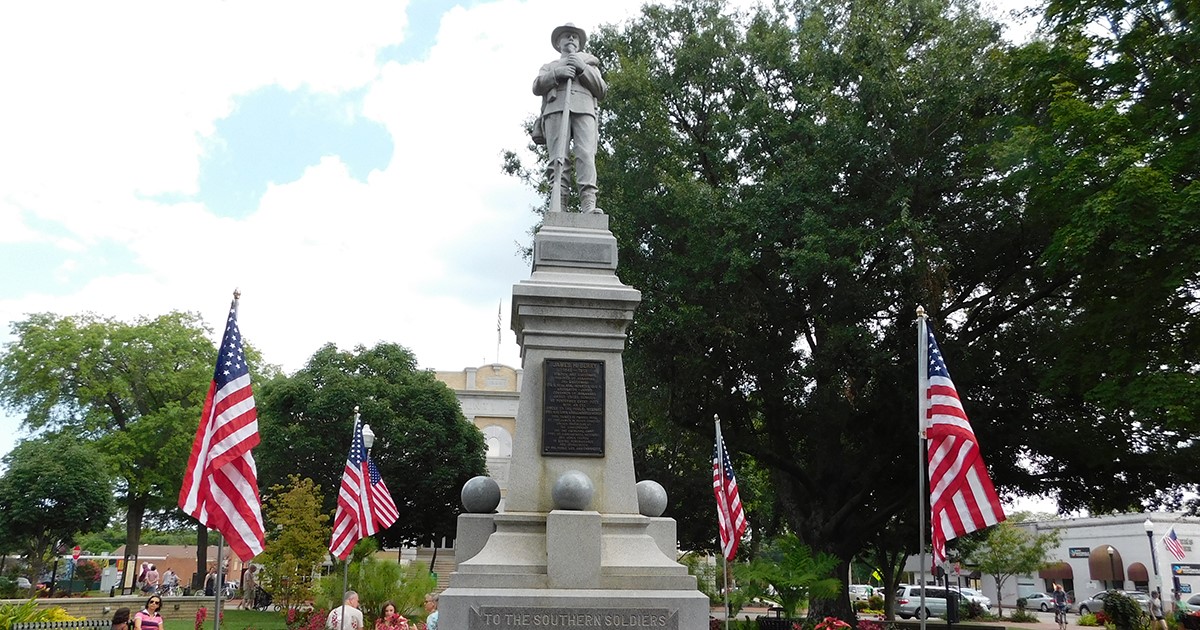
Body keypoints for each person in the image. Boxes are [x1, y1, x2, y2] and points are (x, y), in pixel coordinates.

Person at [533, 23, 607, 214]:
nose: (571, 38)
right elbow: (536, 86)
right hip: (556, 109)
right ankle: (560, 203)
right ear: (558, 42)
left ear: (580, 43)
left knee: (586, 156)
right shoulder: (549, 67)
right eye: (567, 35)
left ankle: (588, 203)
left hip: (584, 109)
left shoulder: (590, 64)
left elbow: (601, 89)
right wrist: (557, 74)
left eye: (574, 36)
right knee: (558, 159)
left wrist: (582, 68)